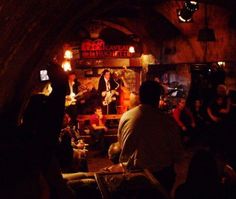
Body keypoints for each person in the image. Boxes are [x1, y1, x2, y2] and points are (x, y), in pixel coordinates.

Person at [117, 80, 183, 193]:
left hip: (133, 174)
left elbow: (121, 143)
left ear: (140, 97)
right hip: (162, 175)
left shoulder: (126, 116)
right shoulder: (167, 121)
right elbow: (177, 154)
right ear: (158, 98)